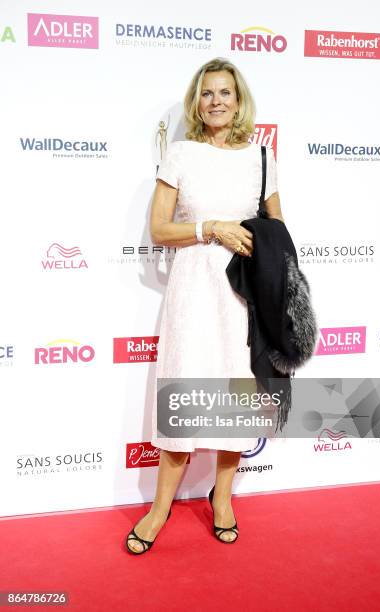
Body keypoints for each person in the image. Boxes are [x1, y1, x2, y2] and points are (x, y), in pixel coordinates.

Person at [126, 57, 285, 554]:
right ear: (197, 101)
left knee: (235, 398)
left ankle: (223, 500)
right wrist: (211, 227)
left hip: (242, 294)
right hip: (193, 289)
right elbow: (159, 229)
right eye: (208, 93)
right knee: (184, 394)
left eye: (226, 93)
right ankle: (159, 507)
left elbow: (278, 233)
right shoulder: (180, 154)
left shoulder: (261, 158)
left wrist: (257, 244)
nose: (217, 101)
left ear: (239, 102)